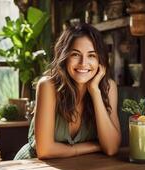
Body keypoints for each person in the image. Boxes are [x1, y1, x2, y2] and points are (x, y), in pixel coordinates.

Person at [14, 23, 121, 159]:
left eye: (91, 56)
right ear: (64, 57)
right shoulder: (48, 86)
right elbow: (45, 150)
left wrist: (95, 91)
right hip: (32, 167)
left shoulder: (108, 87)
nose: (83, 63)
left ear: (100, 60)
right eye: (76, 54)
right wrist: (95, 146)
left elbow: (111, 148)